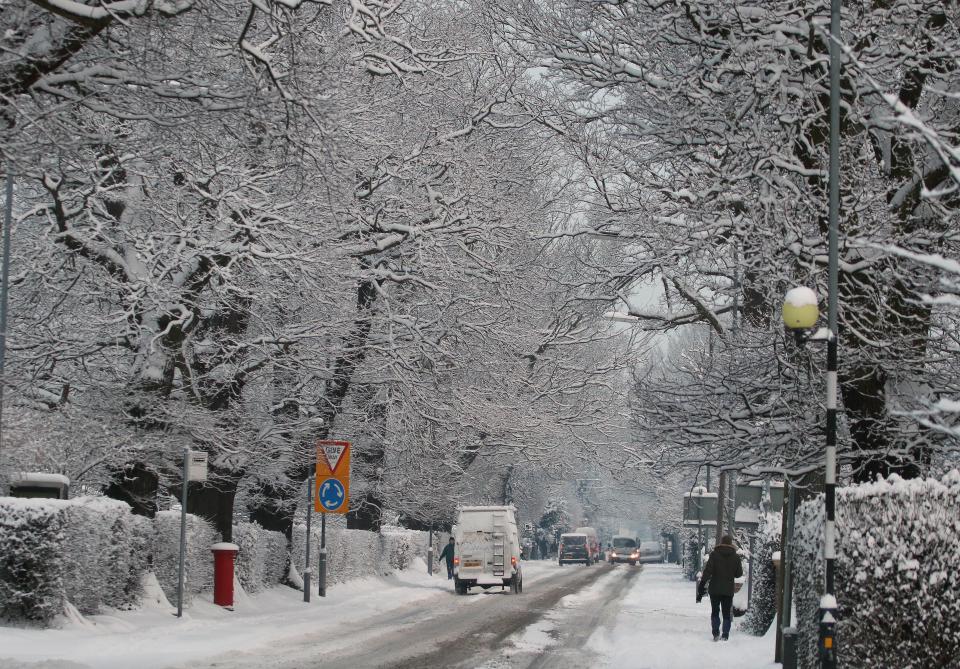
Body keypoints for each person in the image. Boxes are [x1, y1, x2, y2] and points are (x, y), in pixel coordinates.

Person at [697, 535, 743, 641]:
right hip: (728, 590)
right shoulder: (735, 557)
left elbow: (708, 571)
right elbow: (739, 574)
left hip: (715, 589)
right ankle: (725, 634)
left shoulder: (714, 555)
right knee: (726, 612)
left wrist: (702, 584)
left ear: (721, 542)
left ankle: (715, 632)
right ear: (731, 544)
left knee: (715, 611)